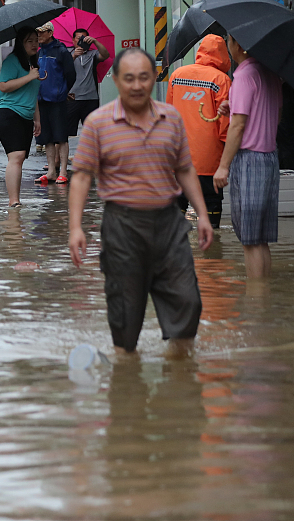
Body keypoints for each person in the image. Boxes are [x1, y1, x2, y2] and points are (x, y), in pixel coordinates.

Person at [68, 48, 214, 358]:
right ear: (116, 80)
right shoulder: (98, 123)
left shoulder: (171, 117)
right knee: (125, 312)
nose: (137, 86)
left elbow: (185, 169)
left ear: (153, 80)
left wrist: (202, 214)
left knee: (188, 301)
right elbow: (81, 177)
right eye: (129, 79)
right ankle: (126, 378)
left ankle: (179, 372)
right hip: (122, 227)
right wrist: (76, 227)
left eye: (144, 78)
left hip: (169, 225)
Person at [212, 35, 283, 278]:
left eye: (229, 41)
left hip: (250, 161)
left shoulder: (243, 76)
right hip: (269, 159)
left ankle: (255, 302)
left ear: (239, 45)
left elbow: (238, 126)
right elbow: (272, 113)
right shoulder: (270, 74)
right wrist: (231, 107)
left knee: (250, 240)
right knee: (260, 239)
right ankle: (263, 298)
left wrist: (223, 166)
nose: (228, 46)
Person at [166, 34, 231, 229]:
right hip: (208, 158)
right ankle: (213, 250)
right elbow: (226, 123)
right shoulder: (221, 79)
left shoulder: (177, 74)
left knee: (177, 202)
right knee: (211, 202)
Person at [0, 28, 44, 208]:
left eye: (36, 40)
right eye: (29, 40)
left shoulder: (32, 64)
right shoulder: (12, 61)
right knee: (16, 156)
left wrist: (36, 119)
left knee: (20, 158)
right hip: (8, 113)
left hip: (25, 116)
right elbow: (3, 86)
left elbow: (33, 94)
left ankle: (15, 198)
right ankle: (13, 200)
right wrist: (30, 76)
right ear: (20, 43)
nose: (34, 44)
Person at [34, 21, 76, 184]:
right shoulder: (38, 52)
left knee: (61, 137)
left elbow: (70, 74)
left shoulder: (61, 51)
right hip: (42, 99)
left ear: (50, 33)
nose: (39, 35)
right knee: (47, 138)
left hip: (57, 99)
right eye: (37, 32)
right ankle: (51, 170)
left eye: (42, 32)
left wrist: (63, 91)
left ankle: (63, 171)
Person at [67, 27, 110, 141]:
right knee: (67, 131)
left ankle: (90, 156)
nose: (81, 41)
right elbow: (61, 69)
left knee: (92, 131)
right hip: (72, 97)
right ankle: (62, 157)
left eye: (84, 38)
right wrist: (74, 56)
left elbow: (105, 55)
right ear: (73, 40)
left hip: (90, 97)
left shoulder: (92, 54)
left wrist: (95, 41)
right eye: (78, 38)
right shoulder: (67, 52)